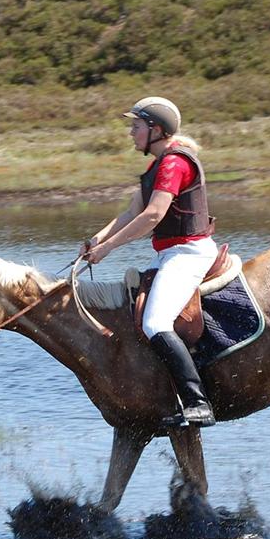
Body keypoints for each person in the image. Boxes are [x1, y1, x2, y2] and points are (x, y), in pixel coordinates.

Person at [81, 96, 218, 427]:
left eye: (136, 126)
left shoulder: (174, 164)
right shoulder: (156, 165)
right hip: (172, 253)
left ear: (155, 130)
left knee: (154, 323)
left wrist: (109, 249)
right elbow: (132, 212)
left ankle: (198, 403)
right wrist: (97, 240)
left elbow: (154, 215)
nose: (131, 132)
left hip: (188, 253)